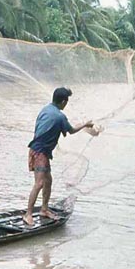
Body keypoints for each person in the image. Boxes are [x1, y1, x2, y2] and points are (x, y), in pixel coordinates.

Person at [25, 87, 95, 226]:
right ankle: (28, 214)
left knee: (48, 180)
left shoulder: (45, 109)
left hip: (36, 150)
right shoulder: (59, 116)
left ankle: (44, 209)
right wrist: (86, 124)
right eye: (66, 101)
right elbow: (71, 131)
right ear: (63, 101)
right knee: (39, 184)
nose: (66, 104)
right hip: (40, 153)